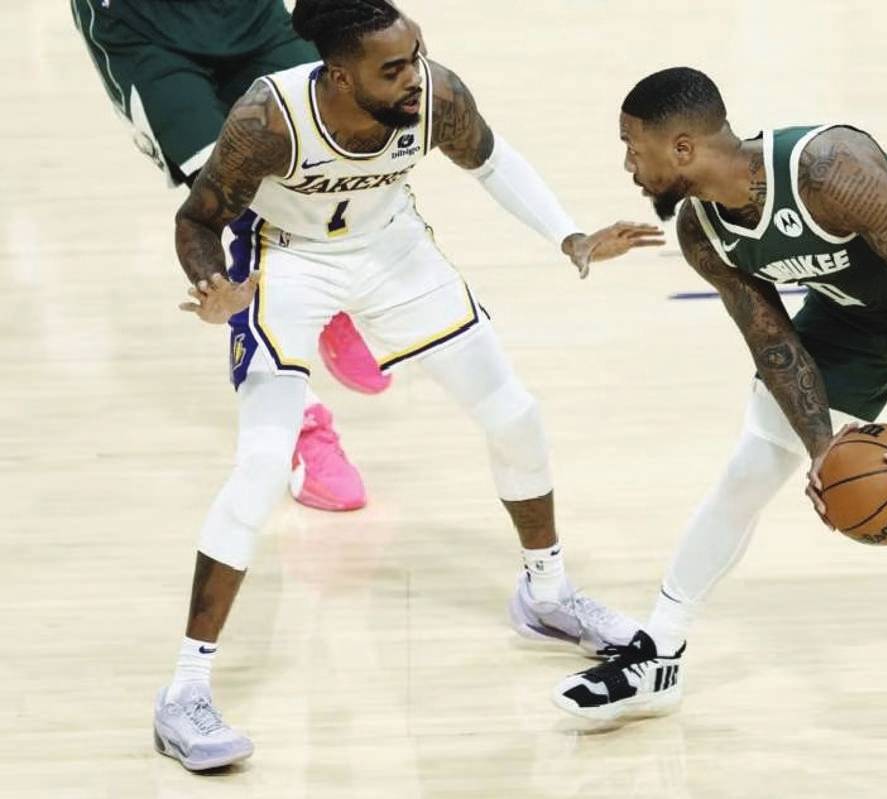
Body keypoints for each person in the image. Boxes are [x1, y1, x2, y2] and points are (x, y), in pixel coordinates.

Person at [151, 0, 663, 772]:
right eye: (393, 68)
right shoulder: (273, 117)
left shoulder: (437, 96)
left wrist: (571, 235)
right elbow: (197, 218)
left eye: (416, 55)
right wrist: (214, 283)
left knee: (516, 416)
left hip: (393, 252)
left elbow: (493, 160)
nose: (415, 76)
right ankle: (184, 692)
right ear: (338, 73)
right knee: (259, 468)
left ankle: (547, 595)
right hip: (285, 264)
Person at [552, 67, 887, 799]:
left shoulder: (825, 169)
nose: (629, 165)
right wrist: (826, 450)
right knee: (753, 465)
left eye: (633, 147)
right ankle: (658, 651)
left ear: (683, 146)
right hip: (851, 315)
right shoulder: (703, 229)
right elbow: (775, 346)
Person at [71, 0, 431, 510]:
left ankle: (324, 300)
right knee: (231, 201)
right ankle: (300, 427)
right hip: (145, 30)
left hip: (248, 13)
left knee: (324, 136)